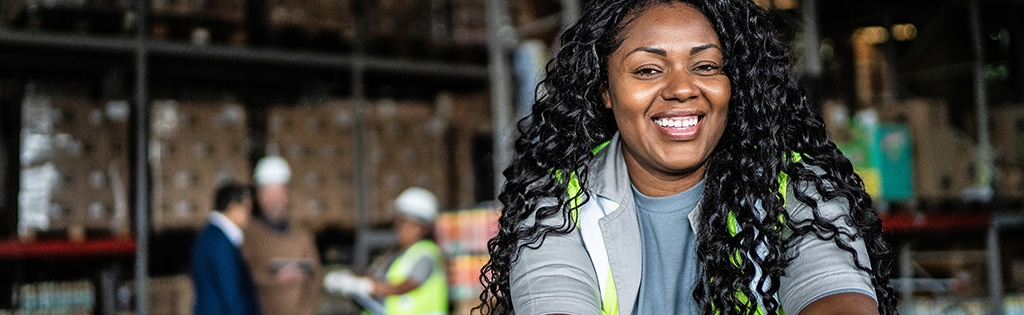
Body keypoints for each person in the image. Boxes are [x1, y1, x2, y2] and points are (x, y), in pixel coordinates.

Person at [477, 1, 898, 315]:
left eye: (706, 66)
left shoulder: (797, 187)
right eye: (647, 70)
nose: (683, 88)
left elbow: (835, 295)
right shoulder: (554, 206)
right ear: (604, 89)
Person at [324, 187, 449, 315]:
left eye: (409, 224)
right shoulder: (397, 253)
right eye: (400, 222)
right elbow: (376, 276)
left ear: (422, 228)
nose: (401, 229)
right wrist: (348, 277)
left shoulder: (426, 254)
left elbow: (405, 286)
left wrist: (367, 286)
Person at [241, 155, 322, 315]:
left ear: (288, 194)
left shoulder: (302, 236)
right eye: (269, 193)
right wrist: (276, 280)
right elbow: (241, 281)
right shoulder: (249, 236)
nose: (275, 200)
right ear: (259, 196)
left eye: (279, 192)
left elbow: (316, 278)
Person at [191, 182, 261, 315]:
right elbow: (231, 293)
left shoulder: (208, 235)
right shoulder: (221, 242)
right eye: (247, 209)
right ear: (233, 208)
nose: (248, 216)